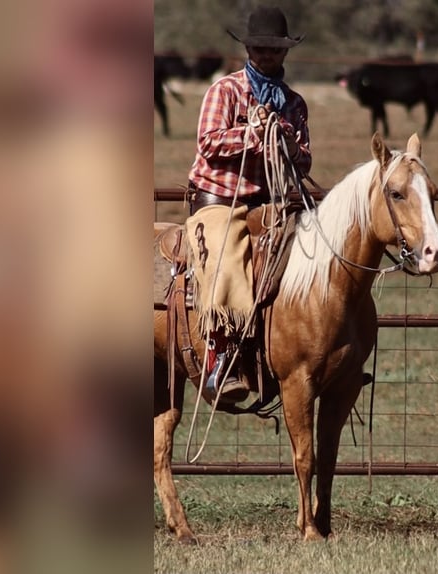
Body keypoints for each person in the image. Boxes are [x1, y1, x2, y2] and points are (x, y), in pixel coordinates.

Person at [184, 6, 311, 404]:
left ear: (285, 52)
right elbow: (209, 142)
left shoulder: (293, 103)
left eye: (274, 49)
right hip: (219, 200)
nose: (267, 55)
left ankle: (315, 348)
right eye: (260, 47)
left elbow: (305, 160)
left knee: (312, 254)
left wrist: (289, 144)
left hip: (271, 201)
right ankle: (220, 357)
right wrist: (252, 135)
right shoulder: (226, 91)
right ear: (249, 48)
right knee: (226, 258)